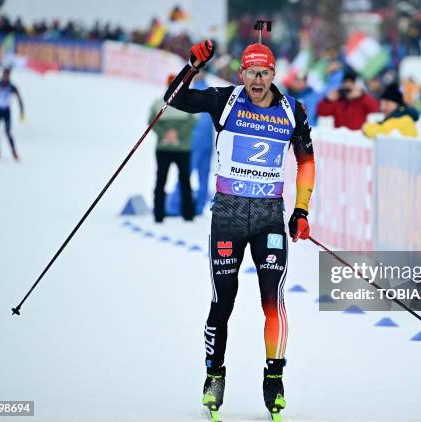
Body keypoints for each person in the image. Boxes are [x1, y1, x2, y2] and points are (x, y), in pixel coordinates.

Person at [164, 39, 315, 418]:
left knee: (272, 302)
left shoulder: (291, 110)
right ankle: (214, 376)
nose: (257, 80)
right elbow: (175, 99)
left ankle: (274, 379)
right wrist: (193, 65)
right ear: (242, 73)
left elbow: (307, 162)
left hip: (269, 219)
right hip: (228, 217)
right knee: (223, 301)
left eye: (264, 72)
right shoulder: (224, 101)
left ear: (274, 74)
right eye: (251, 72)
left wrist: (301, 210)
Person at [167, 72, 214, 216]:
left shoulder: (193, 92)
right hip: (208, 141)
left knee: (186, 172)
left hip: (195, 141)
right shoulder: (211, 91)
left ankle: (173, 206)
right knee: (204, 175)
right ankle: (199, 207)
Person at [151, 75, 196, 223]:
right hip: (177, 148)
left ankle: (166, 215)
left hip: (173, 147)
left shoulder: (160, 103)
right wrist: (172, 134)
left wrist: (169, 134)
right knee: (167, 180)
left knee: (178, 180)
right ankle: (166, 215)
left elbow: (192, 123)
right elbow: (151, 121)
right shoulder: (159, 103)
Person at [0, 67, 24, 160]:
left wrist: (22, 112)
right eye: (4, 75)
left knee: (8, 132)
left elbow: (19, 99)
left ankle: (14, 152)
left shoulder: (12, 87)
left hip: (6, 111)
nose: (5, 77)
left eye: (7, 75)